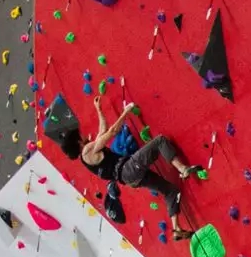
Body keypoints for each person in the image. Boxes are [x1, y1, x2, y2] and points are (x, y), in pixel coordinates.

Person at [67, 98, 196, 240]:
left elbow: (103, 131)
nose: (83, 135)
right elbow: (112, 132)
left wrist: (99, 109)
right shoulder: (87, 151)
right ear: (78, 141)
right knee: (160, 141)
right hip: (128, 168)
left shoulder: (86, 157)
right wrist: (125, 112)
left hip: (129, 178)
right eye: (80, 135)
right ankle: (183, 169)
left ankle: (176, 229)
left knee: (170, 191)